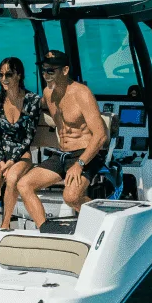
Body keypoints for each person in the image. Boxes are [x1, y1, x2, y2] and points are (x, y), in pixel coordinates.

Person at [16, 50, 109, 230]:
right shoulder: (48, 93)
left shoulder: (82, 94)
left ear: (65, 70)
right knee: (24, 184)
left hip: (85, 155)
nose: (46, 75)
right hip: (62, 154)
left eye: (51, 71)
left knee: (71, 197)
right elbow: (31, 106)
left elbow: (100, 135)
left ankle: (104, 221)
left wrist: (80, 164)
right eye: (43, 70)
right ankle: (46, 229)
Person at [0, 56, 41, 230]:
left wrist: (11, 161)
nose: (4, 79)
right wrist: (2, 161)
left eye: (8, 74)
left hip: (20, 149)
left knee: (13, 178)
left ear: (19, 75)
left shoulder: (33, 100)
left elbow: (28, 137)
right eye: (0, 75)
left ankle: (5, 223)